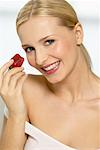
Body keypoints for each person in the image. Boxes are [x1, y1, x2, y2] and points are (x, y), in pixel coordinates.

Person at [0, 0, 100, 149]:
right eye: (29, 49)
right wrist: (16, 115)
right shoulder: (23, 92)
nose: (40, 60)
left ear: (78, 34)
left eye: (49, 41)